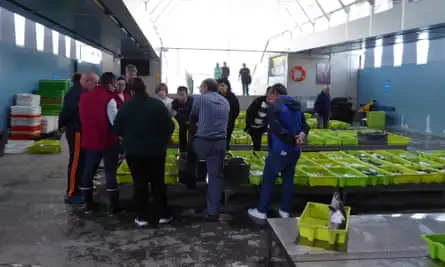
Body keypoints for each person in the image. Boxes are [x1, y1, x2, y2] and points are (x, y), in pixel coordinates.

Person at [114, 78, 174, 227]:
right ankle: (162, 215)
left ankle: (141, 216)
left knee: (139, 183)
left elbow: (117, 129)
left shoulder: (126, 107)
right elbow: (170, 126)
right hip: (156, 151)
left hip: (134, 152)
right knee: (157, 182)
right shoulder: (158, 105)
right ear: (145, 89)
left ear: (132, 91)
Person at [248, 83, 309, 220]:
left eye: (270, 95)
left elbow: (276, 128)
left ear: (275, 94)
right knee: (288, 180)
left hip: (279, 149)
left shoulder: (274, 107)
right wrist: (301, 136)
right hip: (295, 151)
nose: (268, 98)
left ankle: (262, 210)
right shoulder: (296, 105)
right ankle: (285, 210)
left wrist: (291, 138)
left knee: (268, 179)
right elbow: (305, 125)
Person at [79, 72, 122, 215]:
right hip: (107, 141)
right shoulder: (109, 99)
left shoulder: (84, 97)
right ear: (110, 84)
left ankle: (88, 205)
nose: (116, 88)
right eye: (115, 85)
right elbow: (115, 122)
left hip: (90, 140)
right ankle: (114, 207)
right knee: (110, 173)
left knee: (88, 171)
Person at [190, 78, 230, 221]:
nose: (200, 90)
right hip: (219, 143)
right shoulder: (225, 101)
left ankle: (191, 187)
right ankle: (213, 211)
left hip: (202, 142)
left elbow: (193, 118)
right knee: (215, 177)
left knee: (189, 156)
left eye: (200, 87)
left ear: (205, 87)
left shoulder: (200, 99)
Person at [58, 72, 96, 205]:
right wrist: (61, 126)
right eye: (94, 83)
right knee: (76, 162)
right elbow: (66, 113)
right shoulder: (75, 94)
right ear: (86, 81)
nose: (96, 86)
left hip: (81, 130)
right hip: (76, 132)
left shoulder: (82, 92)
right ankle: (72, 192)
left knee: (82, 162)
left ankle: (79, 187)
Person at [216, 78, 240, 151]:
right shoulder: (215, 97)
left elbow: (236, 111)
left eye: (223, 85)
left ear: (227, 87)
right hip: (216, 125)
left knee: (225, 143)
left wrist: (230, 119)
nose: (221, 88)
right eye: (219, 86)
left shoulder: (232, 98)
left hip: (228, 125)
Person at [245, 87, 271, 151]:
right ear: (266, 93)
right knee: (256, 144)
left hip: (264, 127)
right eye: (270, 93)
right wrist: (248, 125)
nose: (271, 95)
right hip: (254, 127)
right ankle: (256, 155)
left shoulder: (274, 103)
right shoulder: (259, 100)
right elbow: (250, 111)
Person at [171, 86, 194, 153]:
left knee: (191, 135)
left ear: (187, 94)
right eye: (178, 94)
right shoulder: (175, 102)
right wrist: (181, 117)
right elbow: (173, 114)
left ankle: (190, 151)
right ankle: (182, 151)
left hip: (191, 124)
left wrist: (178, 114)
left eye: (182, 94)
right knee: (181, 133)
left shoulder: (192, 101)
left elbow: (191, 116)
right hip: (180, 124)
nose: (180, 97)